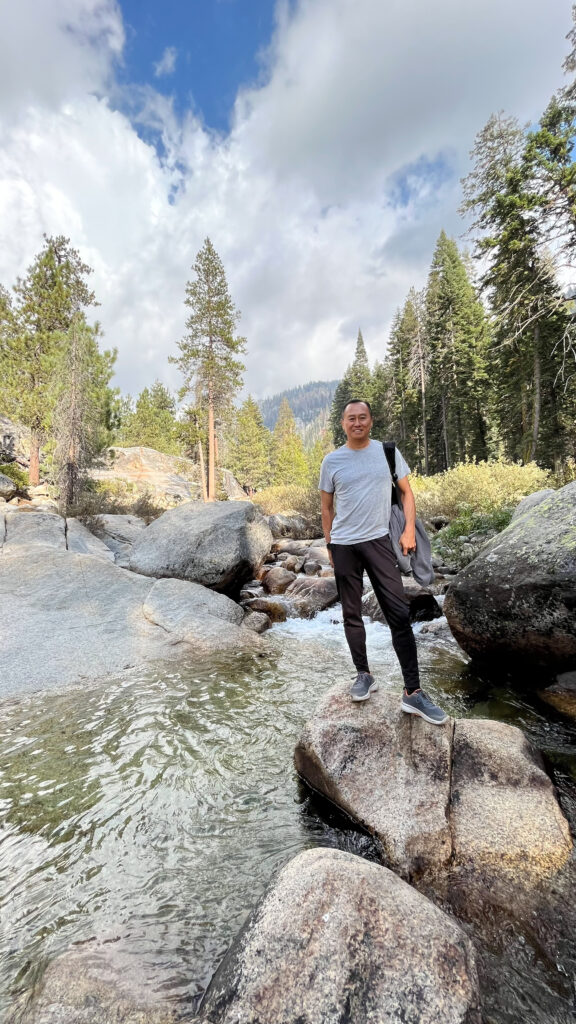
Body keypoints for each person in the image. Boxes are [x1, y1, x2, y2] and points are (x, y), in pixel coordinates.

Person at [318, 399, 447, 724]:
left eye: (362, 417)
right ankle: (363, 674)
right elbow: (326, 509)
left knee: (399, 613)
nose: (357, 423)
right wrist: (330, 544)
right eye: (351, 418)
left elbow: (407, 493)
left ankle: (413, 693)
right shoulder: (332, 461)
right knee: (351, 614)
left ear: (370, 421)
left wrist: (408, 531)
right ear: (343, 423)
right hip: (345, 545)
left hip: (379, 542)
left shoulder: (387, 453)